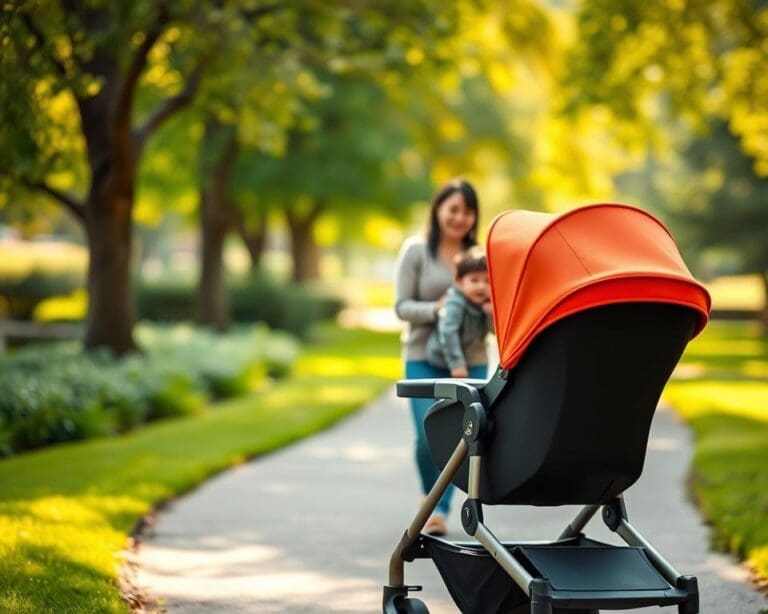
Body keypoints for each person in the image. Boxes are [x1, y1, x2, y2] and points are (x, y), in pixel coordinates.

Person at [394, 178, 488, 536]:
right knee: (424, 436)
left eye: (467, 211)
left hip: (471, 361)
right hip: (422, 356)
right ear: (438, 210)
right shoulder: (416, 251)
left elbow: (497, 311)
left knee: (460, 440)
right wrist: (437, 309)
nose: (459, 217)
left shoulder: (481, 256)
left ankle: (439, 510)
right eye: (453, 209)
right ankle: (428, 494)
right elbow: (401, 307)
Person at [425, 246, 491, 377]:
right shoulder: (455, 302)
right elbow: (448, 331)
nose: (481, 286)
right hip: (443, 359)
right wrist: (457, 364)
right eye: (474, 280)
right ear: (459, 282)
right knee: (448, 394)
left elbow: (494, 332)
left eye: (487, 281)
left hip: (472, 358)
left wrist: (492, 315)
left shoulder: (488, 303)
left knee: (478, 394)